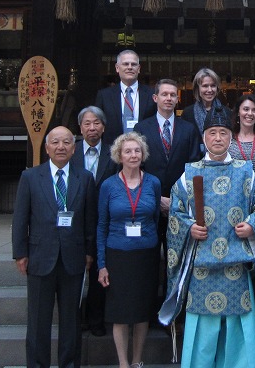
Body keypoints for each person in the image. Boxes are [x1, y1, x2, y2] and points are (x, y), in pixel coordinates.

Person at [159, 108, 255, 368]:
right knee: (202, 331)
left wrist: (252, 225)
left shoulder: (246, 172)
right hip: (202, 265)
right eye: (212, 133)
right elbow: (176, 213)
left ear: (231, 137)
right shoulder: (189, 174)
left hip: (236, 264)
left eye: (223, 133)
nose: (217, 138)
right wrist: (189, 227)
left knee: (237, 330)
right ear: (204, 138)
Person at [12, 125, 97, 368]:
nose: (61, 147)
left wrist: (89, 252)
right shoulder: (30, 177)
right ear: (47, 148)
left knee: (71, 321)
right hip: (40, 257)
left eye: (67, 142)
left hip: (74, 258)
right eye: (56, 142)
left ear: (74, 148)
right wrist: (20, 253)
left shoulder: (85, 178)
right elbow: (20, 219)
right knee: (38, 320)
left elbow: (89, 219)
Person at [97, 132, 162, 368]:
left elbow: (154, 217)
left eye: (137, 151)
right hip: (118, 256)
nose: (133, 155)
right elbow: (102, 224)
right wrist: (102, 264)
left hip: (146, 255)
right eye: (128, 151)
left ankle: (137, 361)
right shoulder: (109, 185)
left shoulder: (153, 182)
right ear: (119, 155)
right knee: (120, 312)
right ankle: (123, 363)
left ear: (143, 154)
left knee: (142, 311)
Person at [133, 78, 201, 239]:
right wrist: (158, 197)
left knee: (177, 254)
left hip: (181, 205)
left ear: (177, 100)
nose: (169, 98)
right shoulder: (141, 128)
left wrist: (176, 199)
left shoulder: (189, 129)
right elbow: (137, 167)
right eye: (164, 94)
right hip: (149, 202)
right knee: (151, 253)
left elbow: (193, 166)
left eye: (172, 95)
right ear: (155, 98)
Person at [70, 106, 115, 337]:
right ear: (80, 128)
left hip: (103, 221)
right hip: (75, 222)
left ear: (104, 127)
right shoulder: (70, 152)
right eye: (87, 123)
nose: (92, 128)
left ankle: (96, 320)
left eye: (96, 123)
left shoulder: (113, 154)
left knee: (100, 271)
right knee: (74, 272)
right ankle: (74, 320)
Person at [94, 49, 156, 149]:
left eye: (134, 64)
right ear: (117, 68)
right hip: (113, 153)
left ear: (139, 68)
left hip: (145, 152)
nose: (130, 67)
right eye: (126, 64)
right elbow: (98, 124)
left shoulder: (151, 94)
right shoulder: (104, 95)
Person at [180, 67, 226, 140]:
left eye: (213, 85)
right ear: (197, 89)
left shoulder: (226, 112)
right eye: (205, 86)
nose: (210, 90)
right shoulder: (188, 113)